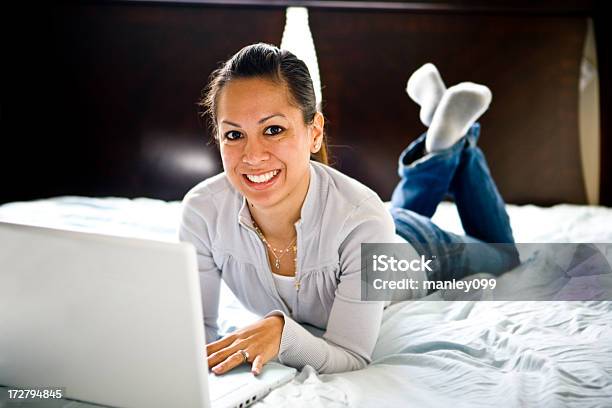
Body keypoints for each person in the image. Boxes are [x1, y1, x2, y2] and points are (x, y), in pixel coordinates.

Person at [179, 43, 520, 376]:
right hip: (375, 226)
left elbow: (351, 354)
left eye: (273, 130)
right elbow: (198, 333)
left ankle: (457, 143)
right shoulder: (202, 211)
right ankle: (439, 138)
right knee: (384, 216)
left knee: (505, 257)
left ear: (314, 133)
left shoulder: (363, 218)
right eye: (234, 135)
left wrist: (282, 334)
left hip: (420, 249)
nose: (252, 156)